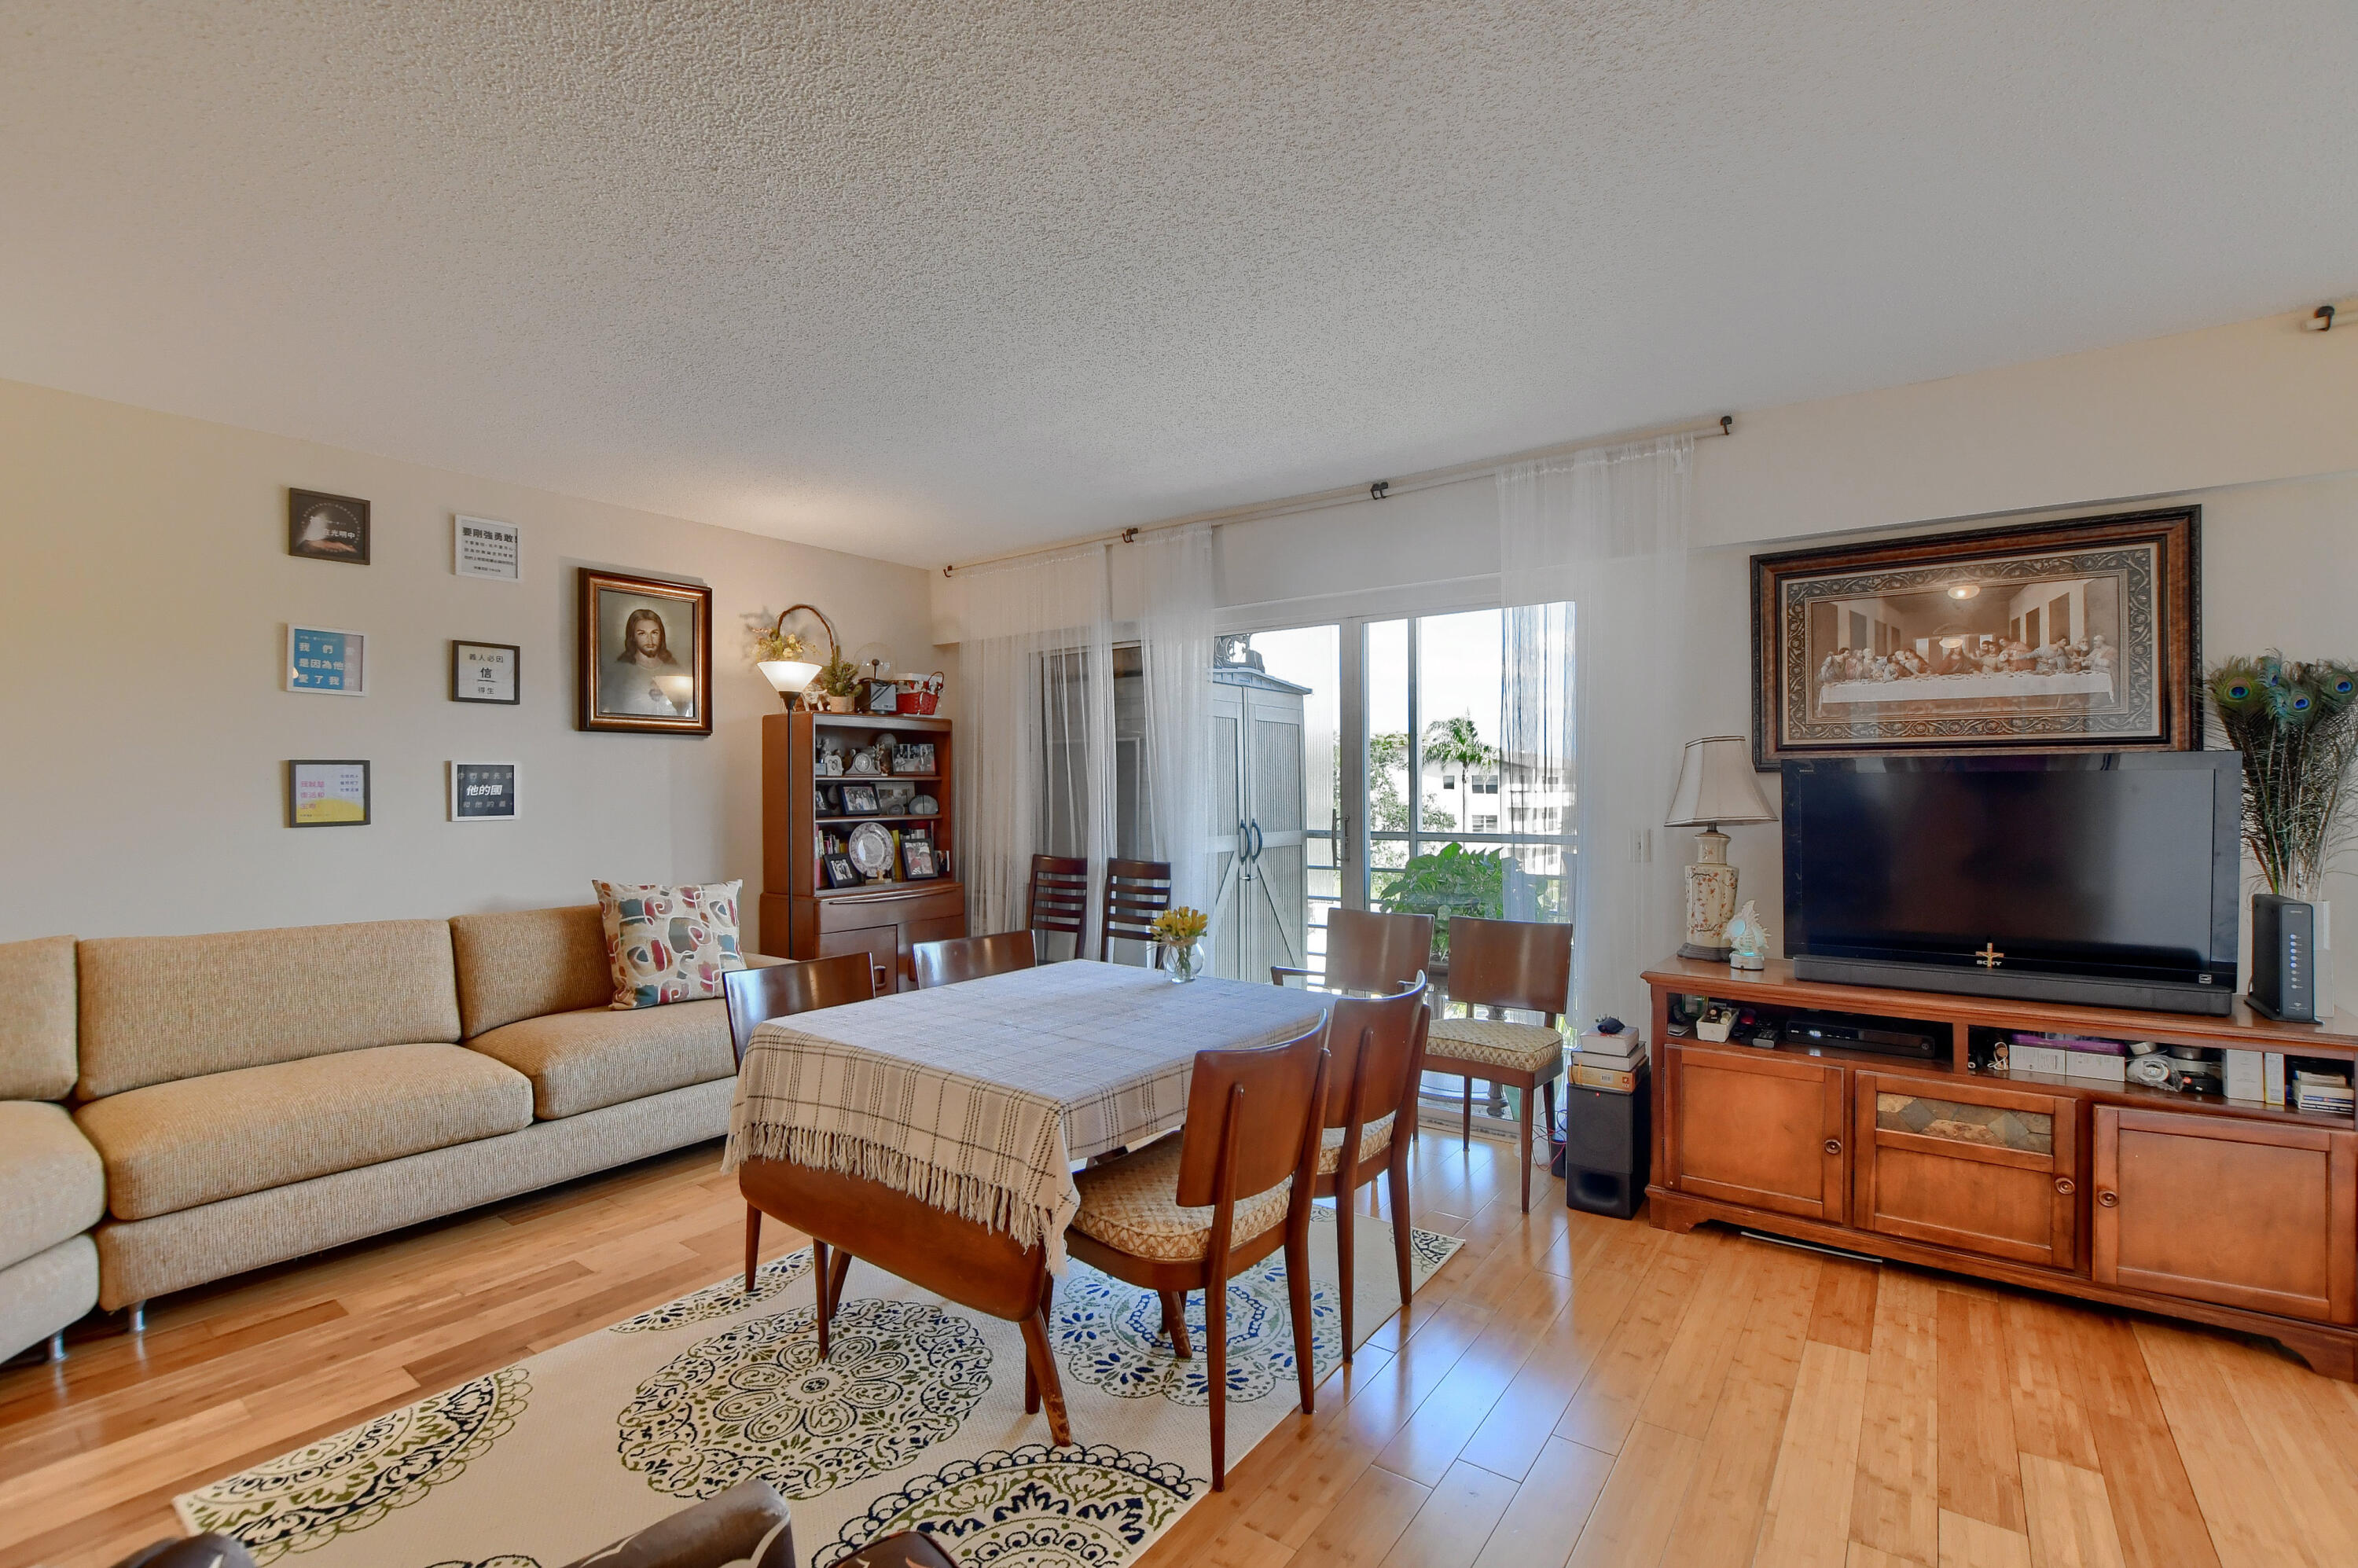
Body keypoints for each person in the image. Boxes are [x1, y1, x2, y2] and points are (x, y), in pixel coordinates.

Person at [607, 606, 690, 715]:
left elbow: (686, 710)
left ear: (662, 635)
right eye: (642, 634)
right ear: (632, 637)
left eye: (654, 633)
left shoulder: (674, 671)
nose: (650, 640)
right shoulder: (619, 671)